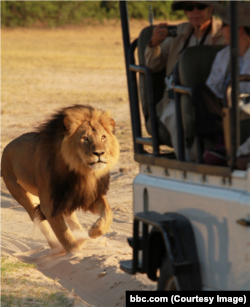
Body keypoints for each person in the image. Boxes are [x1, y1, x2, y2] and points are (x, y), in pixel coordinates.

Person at [145, 0, 224, 153]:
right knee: (177, 116)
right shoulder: (178, 32)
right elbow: (152, 65)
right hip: (176, 97)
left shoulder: (224, 33)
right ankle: (187, 162)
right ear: (185, 12)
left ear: (211, 9)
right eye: (189, 7)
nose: (195, 11)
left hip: (213, 98)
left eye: (201, 6)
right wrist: (154, 44)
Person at [192, 2, 250, 165]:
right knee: (200, 92)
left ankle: (225, 146)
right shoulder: (223, 56)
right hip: (227, 111)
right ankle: (224, 142)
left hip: (247, 111)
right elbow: (212, 90)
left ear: (237, 28)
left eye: (224, 24)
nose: (222, 29)